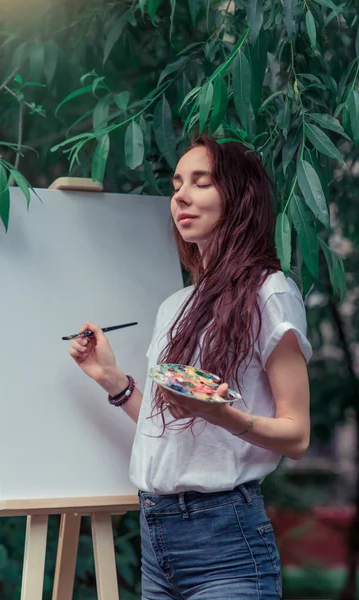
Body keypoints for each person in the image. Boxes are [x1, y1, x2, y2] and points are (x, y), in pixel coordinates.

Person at [69, 136, 312, 599]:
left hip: (227, 541)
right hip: (157, 540)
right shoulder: (176, 306)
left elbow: (297, 435)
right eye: (178, 183)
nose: (180, 195)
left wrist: (224, 415)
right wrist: (111, 380)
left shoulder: (271, 292)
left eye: (201, 183)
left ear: (239, 198)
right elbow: (169, 433)